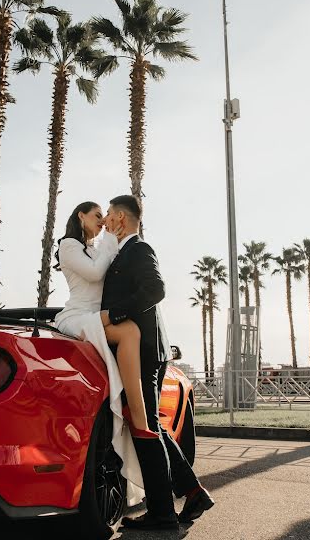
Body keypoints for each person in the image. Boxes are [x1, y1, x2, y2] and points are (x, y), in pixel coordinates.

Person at [100, 195, 215, 531]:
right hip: (146, 349)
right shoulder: (123, 252)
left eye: (109, 214)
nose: (106, 219)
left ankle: (163, 513)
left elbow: (156, 289)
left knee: (145, 427)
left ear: (121, 218)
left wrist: (119, 314)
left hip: (146, 351)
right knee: (151, 424)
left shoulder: (139, 250)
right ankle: (192, 493)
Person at [53, 201, 156, 503]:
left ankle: (136, 413)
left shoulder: (97, 247)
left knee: (131, 331)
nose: (102, 221)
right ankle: (138, 415)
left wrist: (110, 241)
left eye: (105, 216)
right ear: (80, 216)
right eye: (97, 215)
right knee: (129, 329)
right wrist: (112, 239)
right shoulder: (69, 246)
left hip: (96, 317)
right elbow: (96, 275)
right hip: (77, 318)